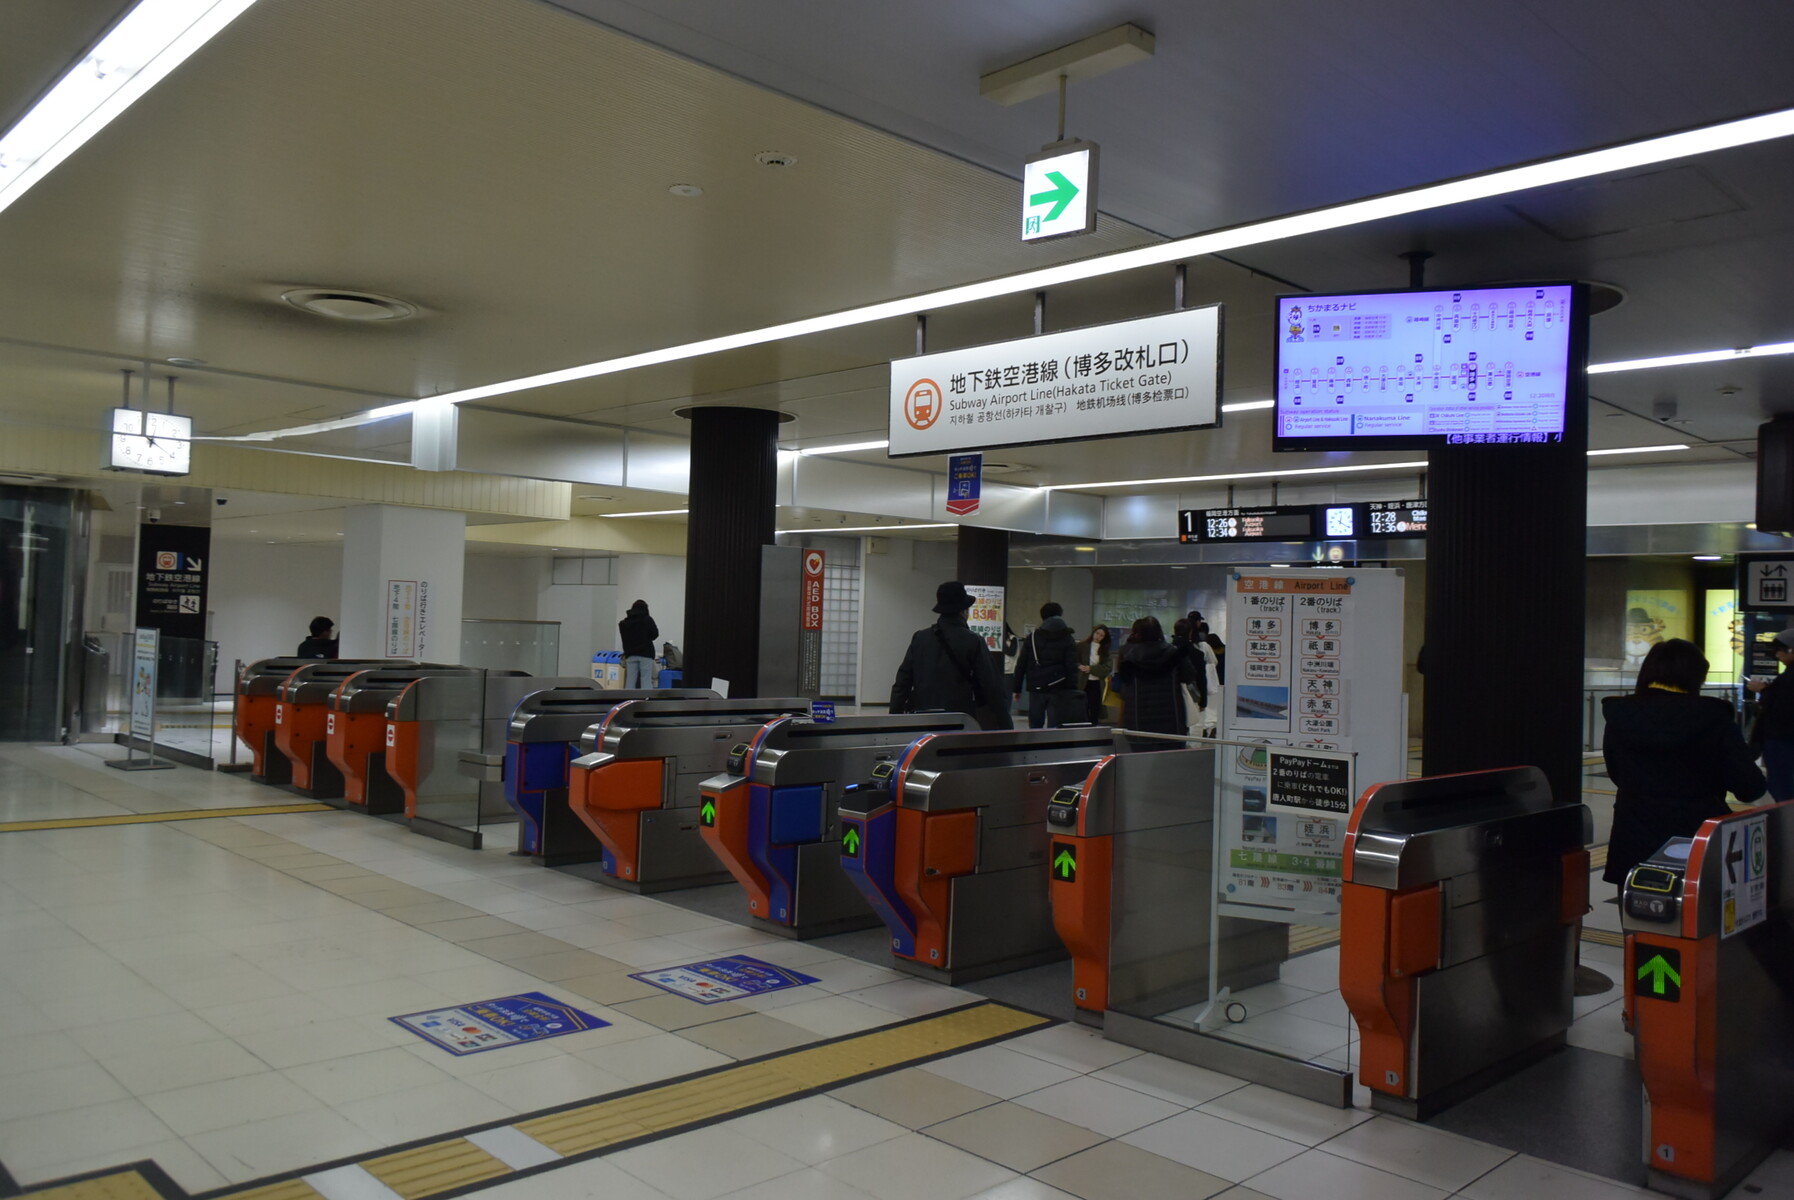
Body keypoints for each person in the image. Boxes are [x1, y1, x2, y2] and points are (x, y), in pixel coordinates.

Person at [1603, 639, 1766, 885]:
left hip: (1632, 834)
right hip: (1696, 837)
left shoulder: (1619, 714)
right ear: (1696, 677)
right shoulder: (1713, 717)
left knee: (1638, 903)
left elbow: (1616, 773)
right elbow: (1749, 787)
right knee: (1695, 906)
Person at [890, 581, 1013, 729]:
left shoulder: (920, 638)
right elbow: (992, 686)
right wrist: (1006, 724)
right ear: (963, 611)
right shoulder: (973, 641)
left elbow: (903, 681)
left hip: (922, 716)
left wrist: (894, 717)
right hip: (958, 718)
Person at [1114, 616, 1200, 735]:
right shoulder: (1174, 653)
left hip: (1139, 721)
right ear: (1159, 631)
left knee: (1141, 746)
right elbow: (1189, 676)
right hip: (1171, 721)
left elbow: (1125, 690)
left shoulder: (1130, 657)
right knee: (1170, 746)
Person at [1012, 602, 1082, 728]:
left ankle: (1035, 741)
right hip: (1059, 688)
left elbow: (1021, 664)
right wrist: (1072, 688)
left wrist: (1017, 688)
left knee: (1035, 725)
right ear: (1060, 615)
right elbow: (1071, 666)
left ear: (1043, 616)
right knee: (1055, 726)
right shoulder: (1068, 638)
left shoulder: (1033, 637)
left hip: (1036, 687)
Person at [1747, 628, 1794, 800]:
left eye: (1780, 650)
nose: (1777, 654)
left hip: (1782, 739)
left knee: (1782, 786)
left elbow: (1782, 707)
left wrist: (1764, 691)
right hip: (1783, 739)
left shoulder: (1789, 678)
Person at [1173, 619, 1211, 736]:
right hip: (1191, 695)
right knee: (1190, 725)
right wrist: (1203, 702)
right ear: (1190, 632)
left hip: (1170, 694)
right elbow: (1202, 679)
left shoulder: (1167, 650)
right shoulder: (1198, 654)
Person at [618, 599, 659, 689]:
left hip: (630, 654)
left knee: (630, 680)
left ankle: (629, 697)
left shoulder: (624, 623)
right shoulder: (647, 620)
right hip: (646, 654)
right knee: (645, 679)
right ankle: (646, 697)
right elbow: (655, 634)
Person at [1078, 624, 1114, 725]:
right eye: (1097, 633)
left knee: (1095, 709)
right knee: (1082, 708)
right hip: (1082, 681)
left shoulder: (1105, 650)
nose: (1098, 636)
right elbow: (1074, 660)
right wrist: (1079, 666)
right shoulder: (1082, 646)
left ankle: (1093, 728)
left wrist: (1091, 669)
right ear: (1093, 633)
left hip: (1097, 683)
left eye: (1101, 635)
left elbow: (1107, 668)